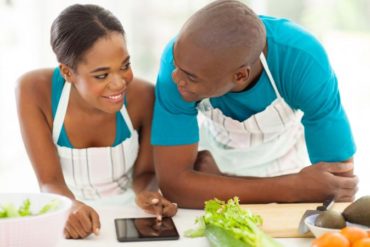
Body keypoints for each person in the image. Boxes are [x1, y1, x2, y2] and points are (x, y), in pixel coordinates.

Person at [151, 0, 358, 208]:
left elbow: (340, 186)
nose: (175, 77)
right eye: (177, 66)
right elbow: (175, 186)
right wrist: (294, 188)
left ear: (240, 75)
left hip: (284, 164)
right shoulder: (183, 60)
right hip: (217, 159)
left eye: (192, 77)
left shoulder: (302, 60)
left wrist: (216, 183)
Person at [15, 4, 176, 239]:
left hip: (129, 215)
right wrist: (69, 207)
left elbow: (145, 174)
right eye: (102, 75)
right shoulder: (32, 91)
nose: (119, 83)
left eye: (125, 66)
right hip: (65, 210)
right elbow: (49, 181)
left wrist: (149, 194)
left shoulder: (145, 96)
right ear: (68, 73)